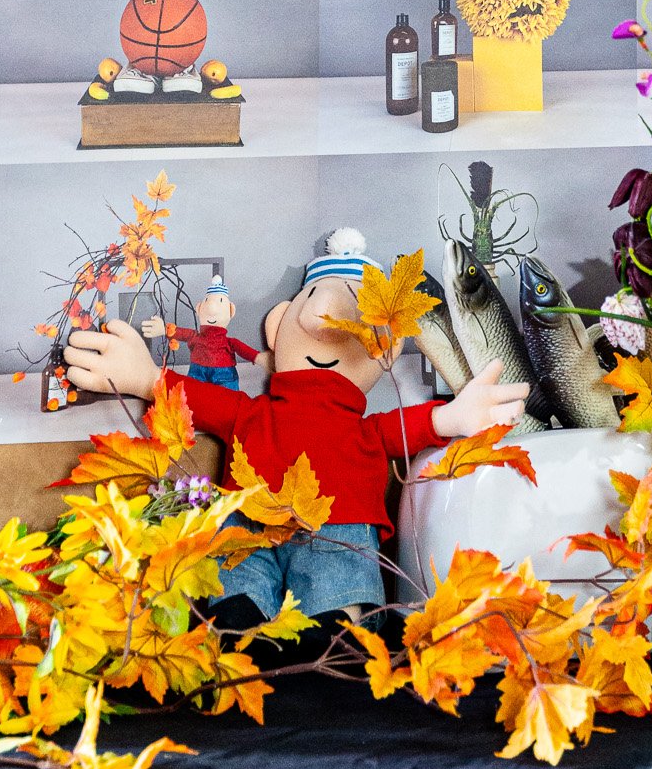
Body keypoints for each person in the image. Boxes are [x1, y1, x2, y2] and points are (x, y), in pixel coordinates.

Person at [65, 230, 528, 619]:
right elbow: (202, 402)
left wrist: (453, 417)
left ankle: (322, 643)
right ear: (277, 326)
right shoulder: (251, 413)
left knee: (337, 614)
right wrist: (147, 379)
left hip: (339, 528)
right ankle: (247, 632)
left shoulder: (361, 427)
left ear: (384, 352)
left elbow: (402, 428)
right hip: (249, 523)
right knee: (235, 606)